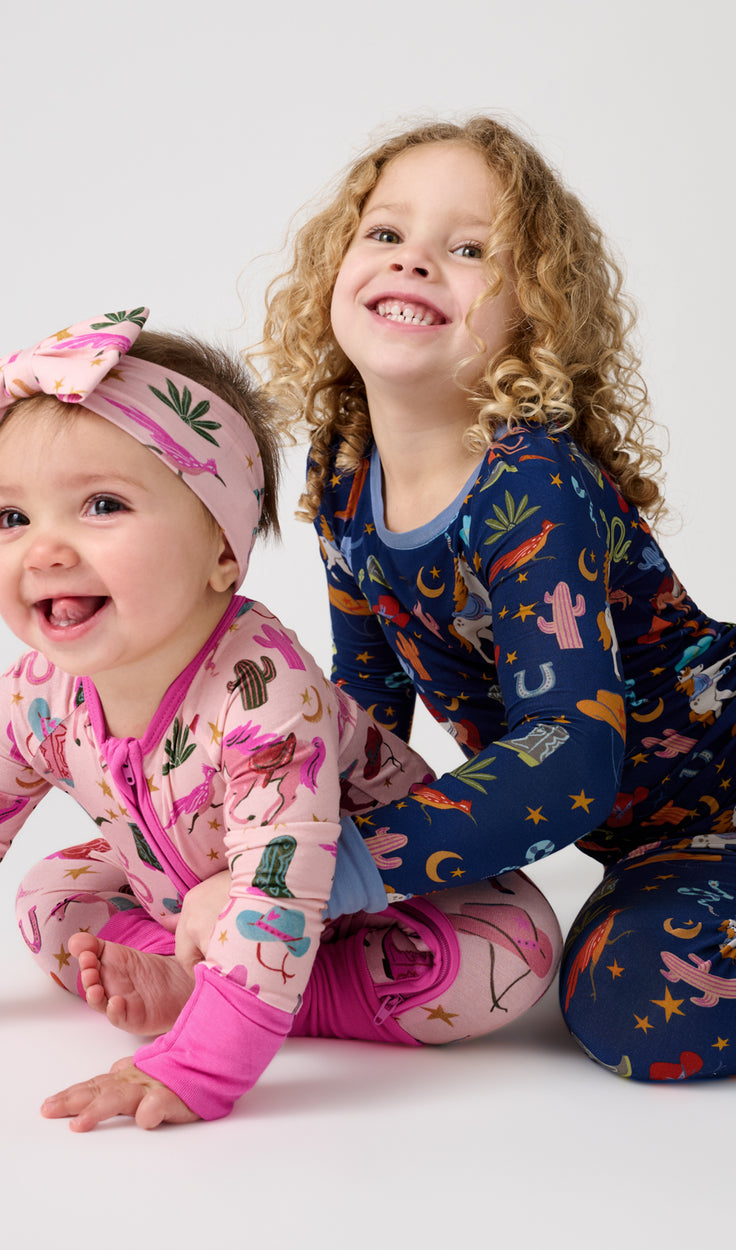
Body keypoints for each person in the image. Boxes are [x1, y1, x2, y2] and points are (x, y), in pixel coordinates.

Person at [0, 309, 560, 1129]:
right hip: (193, 895)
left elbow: (278, 884)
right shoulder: (35, 695)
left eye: (101, 505)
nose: (45, 549)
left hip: (377, 901)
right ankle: (206, 977)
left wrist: (198, 1066)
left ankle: (246, 1001)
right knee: (51, 899)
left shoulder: (263, 690)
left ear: (222, 553)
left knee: (508, 955)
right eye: (11, 518)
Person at [240, 115, 735, 1082]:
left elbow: (568, 760)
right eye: (386, 233)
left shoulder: (531, 486)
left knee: (642, 1011)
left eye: (469, 250)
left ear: (533, 317)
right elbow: (368, 703)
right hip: (661, 844)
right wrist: (280, 841)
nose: (416, 261)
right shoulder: (344, 470)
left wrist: (327, 880)